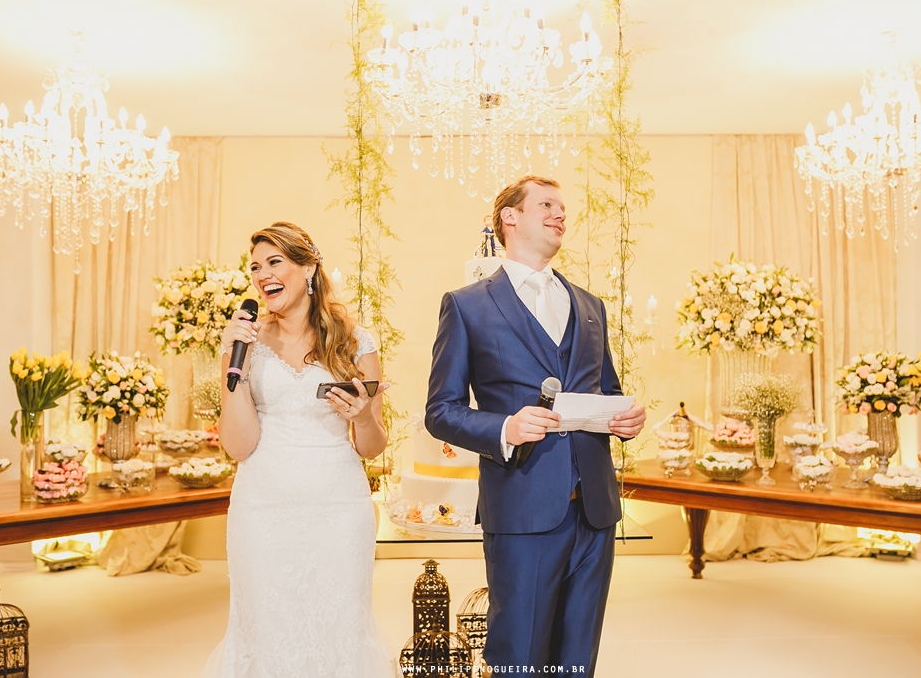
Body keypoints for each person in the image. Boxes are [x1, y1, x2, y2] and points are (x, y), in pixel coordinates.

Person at [425, 175, 646, 676]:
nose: (560, 214)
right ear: (511, 217)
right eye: (547, 204)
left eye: (563, 207)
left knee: (577, 656)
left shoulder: (591, 307)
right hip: (521, 508)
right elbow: (441, 410)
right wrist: (505, 427)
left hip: (594, 510)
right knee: (519, 656)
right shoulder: (466, 305)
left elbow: (605, 390)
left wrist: (625, 417)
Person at [203, 221, 393, 677]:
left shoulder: (356, 341)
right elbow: (238, 445)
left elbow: (372, 446)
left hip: (338, 508)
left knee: (340, 626)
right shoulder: (245, 344)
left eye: (275, 262)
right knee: (265, 627)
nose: (262, 274)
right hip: (262, 507)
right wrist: (233, 366)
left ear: (307, 268)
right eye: (254, 267)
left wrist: (362, 415)